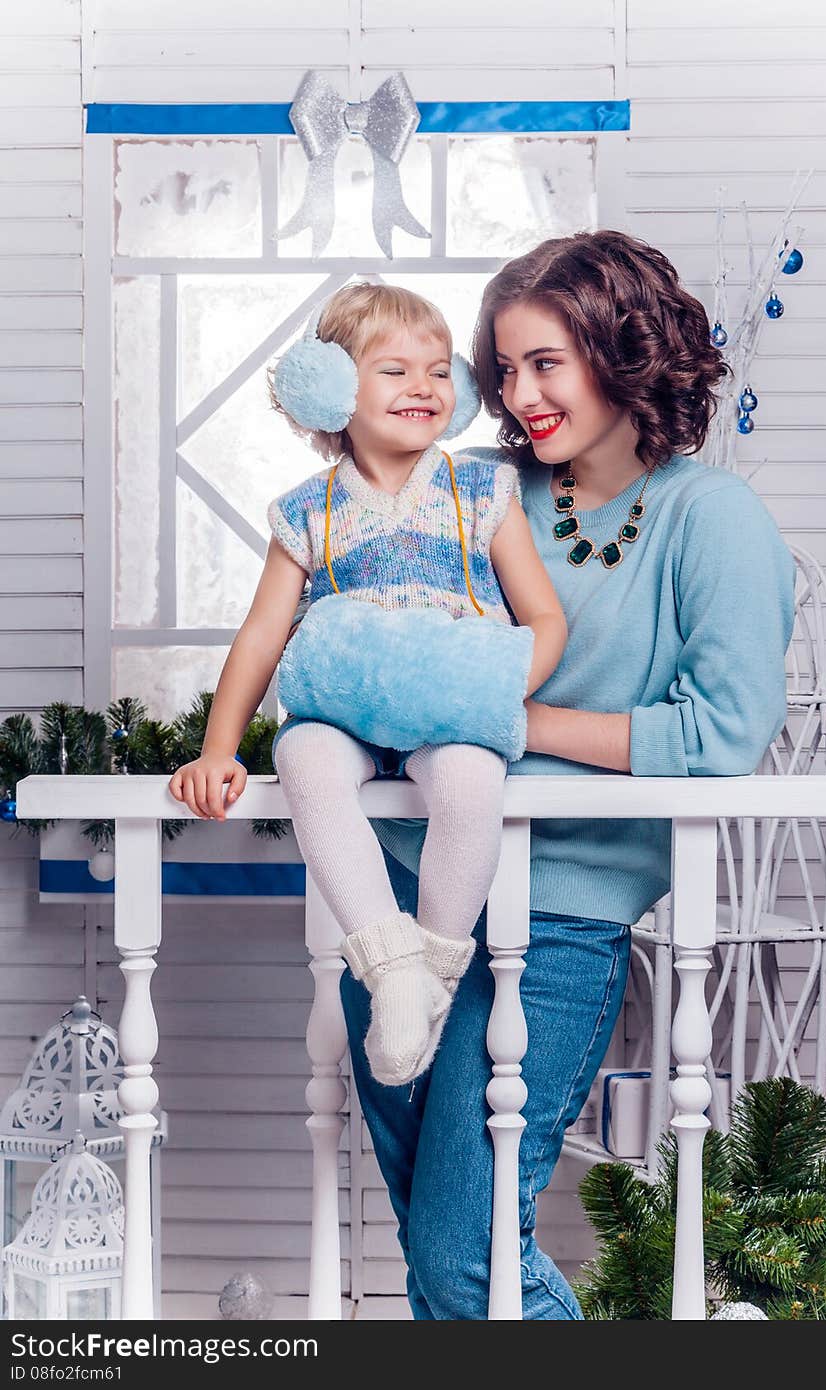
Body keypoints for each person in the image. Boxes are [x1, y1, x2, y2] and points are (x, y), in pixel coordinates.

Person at [342, 230, 797, 1320]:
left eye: (546, 362)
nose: (518, 393)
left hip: (558, 919)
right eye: (503, 369)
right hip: (400, 908)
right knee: (445, 1251)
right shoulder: (482, 493)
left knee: (461, 1263)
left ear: (624, 350)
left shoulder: (709, 518)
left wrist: (516, 715)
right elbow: (378, 624)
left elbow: (727, 731)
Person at [168, 282, 567, 1093]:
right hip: (344, 708)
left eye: (436, 369)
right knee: (308, 760)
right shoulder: (306, 512)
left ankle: (436, 970)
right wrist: (217, 748)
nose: (422, 386)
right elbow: (262, 635)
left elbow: (545, 618)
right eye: (394, 370)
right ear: (333, 391)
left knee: (468, 776)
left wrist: (490, 686)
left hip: (448, 702)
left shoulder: (482, 493)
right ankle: (392, 970)